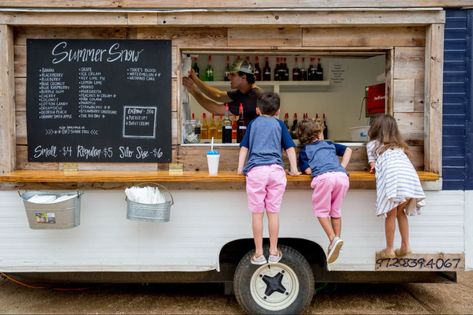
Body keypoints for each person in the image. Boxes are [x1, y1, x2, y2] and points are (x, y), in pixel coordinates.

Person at [237, 92, 300, 265]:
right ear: (278, 111)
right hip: (276, 171)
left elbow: (244, 148)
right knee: (273, 213)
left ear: (257, 110)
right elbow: (290, 149)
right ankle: (273, 250)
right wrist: (294, 170)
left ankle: (258, 253)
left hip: (256, 171)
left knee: (257, 214)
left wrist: (239, 169)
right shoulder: (280, 125)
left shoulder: (253, 123)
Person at [366, 114, 425, 259]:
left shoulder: (372, 144)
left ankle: (390, 249)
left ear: (376, 128)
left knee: (391, 214)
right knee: (401, 213)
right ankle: (405, 246)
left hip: (394, 180)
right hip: (410, 180)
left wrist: (373, 167)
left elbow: (372, 165)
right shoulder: (400, 146)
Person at [296, 118, 352, 264]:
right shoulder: (329, 144)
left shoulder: (305, 151)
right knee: (336, 211)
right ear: (319, 134)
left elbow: (308, 171)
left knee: (321, 212)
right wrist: (342, 166)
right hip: (341, 177)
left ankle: (333, 239)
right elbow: (348, 149)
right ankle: (336, 240)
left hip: (324, 179)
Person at [182, 59, 263, 125]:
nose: (229, 77)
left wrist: (193, 91)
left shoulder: (253, 97)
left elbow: (217, 109)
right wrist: (195, 79)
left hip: (256, 143)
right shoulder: (244, 91)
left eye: (233, 75)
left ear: (243, 77)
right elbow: (218, 96)